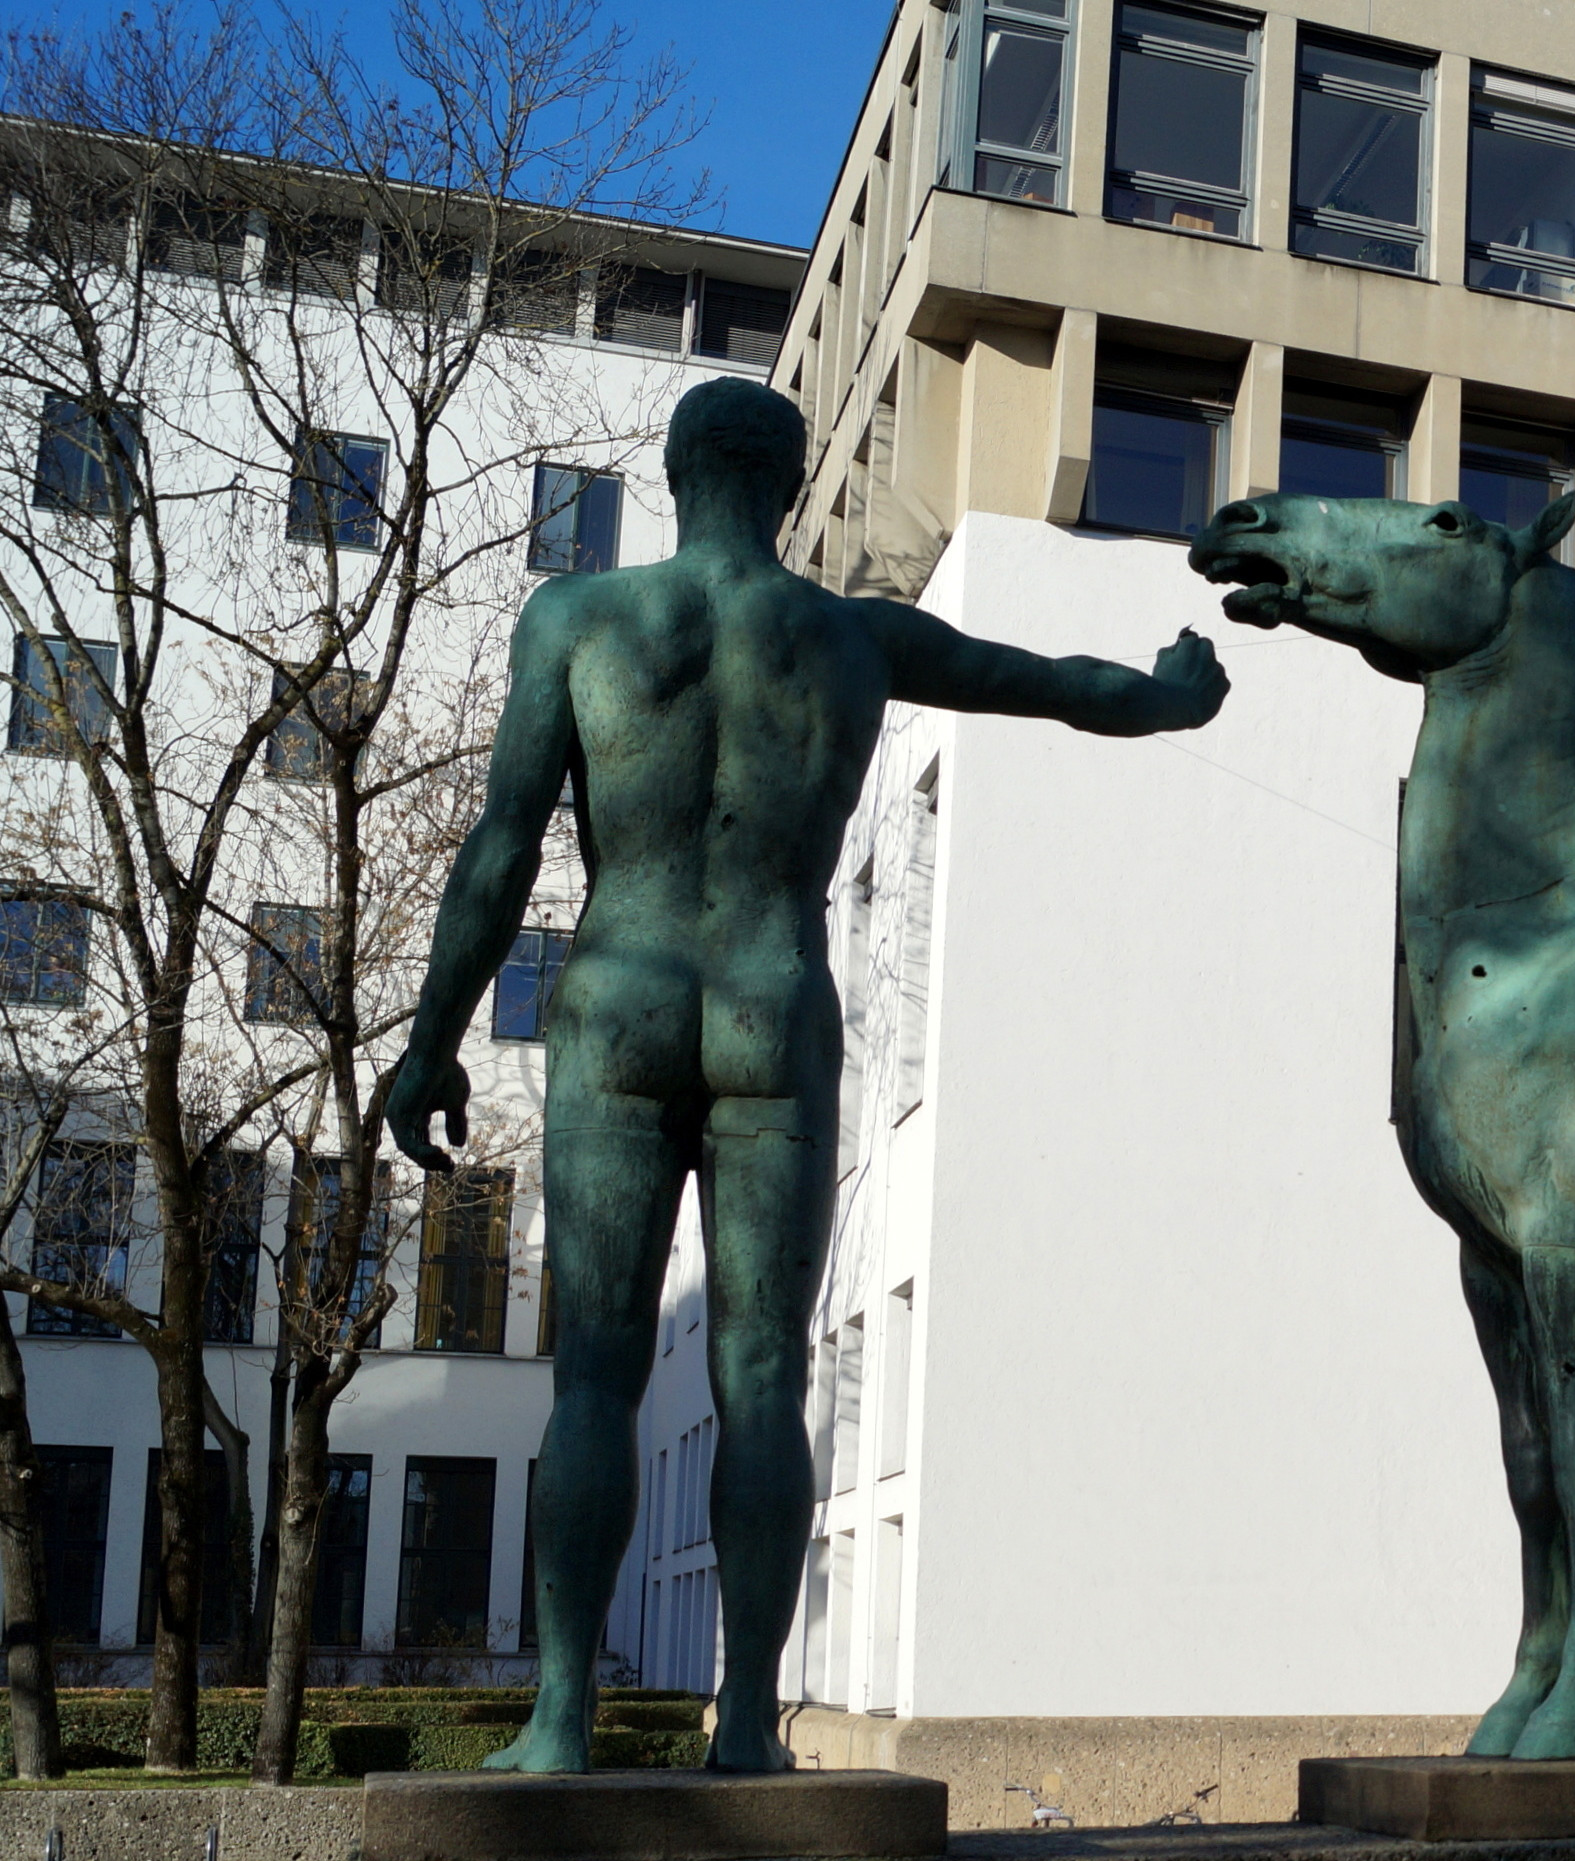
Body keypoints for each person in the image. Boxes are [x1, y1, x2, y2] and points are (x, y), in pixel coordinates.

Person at [384, 379, 1225, 1771]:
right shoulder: (850, 637)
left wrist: (432, 1038)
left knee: (593, 1381)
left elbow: (502, 848)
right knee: (764, 1377)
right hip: (772, 1005)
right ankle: (746, 1731)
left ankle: (558, 1719)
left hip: (621, 1003)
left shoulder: (577, 620)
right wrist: (1168, 696)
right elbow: (1046, 685)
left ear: (673, 474)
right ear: (787, 486)